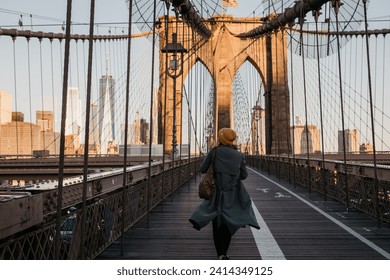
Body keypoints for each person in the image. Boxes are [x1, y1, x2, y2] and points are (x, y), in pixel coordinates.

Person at [189, 128, 260, 260]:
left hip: (216, 193)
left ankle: (220, 254)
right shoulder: (239, 155)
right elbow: (244, 176)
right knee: (228, 222)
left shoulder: (215, 151)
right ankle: (225, 253)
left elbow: (203, 169)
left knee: (217, 223)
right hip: (233, 195)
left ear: (221, 138)